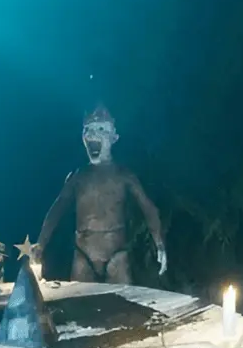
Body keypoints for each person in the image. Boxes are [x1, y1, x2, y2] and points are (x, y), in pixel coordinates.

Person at [33, 105, 166, 284]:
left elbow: (149, 209)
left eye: (101, 129)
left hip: (116, 255)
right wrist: (40, 244)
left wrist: (159, 243)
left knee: (121, 300)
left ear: (114, 138)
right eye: (88, 129)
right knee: (81, 300)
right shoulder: (78, 176)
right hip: (83, 254)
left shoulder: (124, 175)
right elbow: (56, 210)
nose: (93, 134)